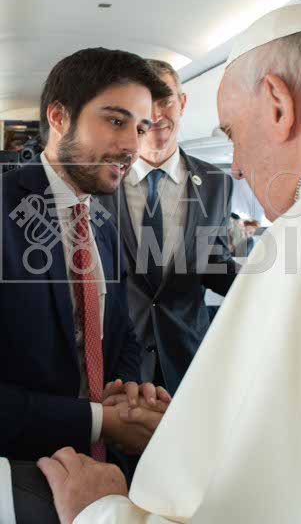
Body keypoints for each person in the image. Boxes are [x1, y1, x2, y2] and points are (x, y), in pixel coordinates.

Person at [40, 3, 301, 524]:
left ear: (278, 103)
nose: (237, 166)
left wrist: (100, 512)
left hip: (181, 355)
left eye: (231, 133)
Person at [0, 48, 173, 521]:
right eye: (116, 121)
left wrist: (128, 393)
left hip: (102, 476)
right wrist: (101, 421)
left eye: (140, 128)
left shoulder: (101, 221)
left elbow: (119, 333)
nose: (132, 145)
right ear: (59, 117)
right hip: (21, 479)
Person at [100, 59, 238, 395]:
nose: (156, 114)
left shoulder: (215, 182)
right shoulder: (98, 182)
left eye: (165, 100)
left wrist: (267, 285)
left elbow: (213, 263)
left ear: (183, 102)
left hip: (187, 355)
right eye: (145, 104)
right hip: (116, 359)